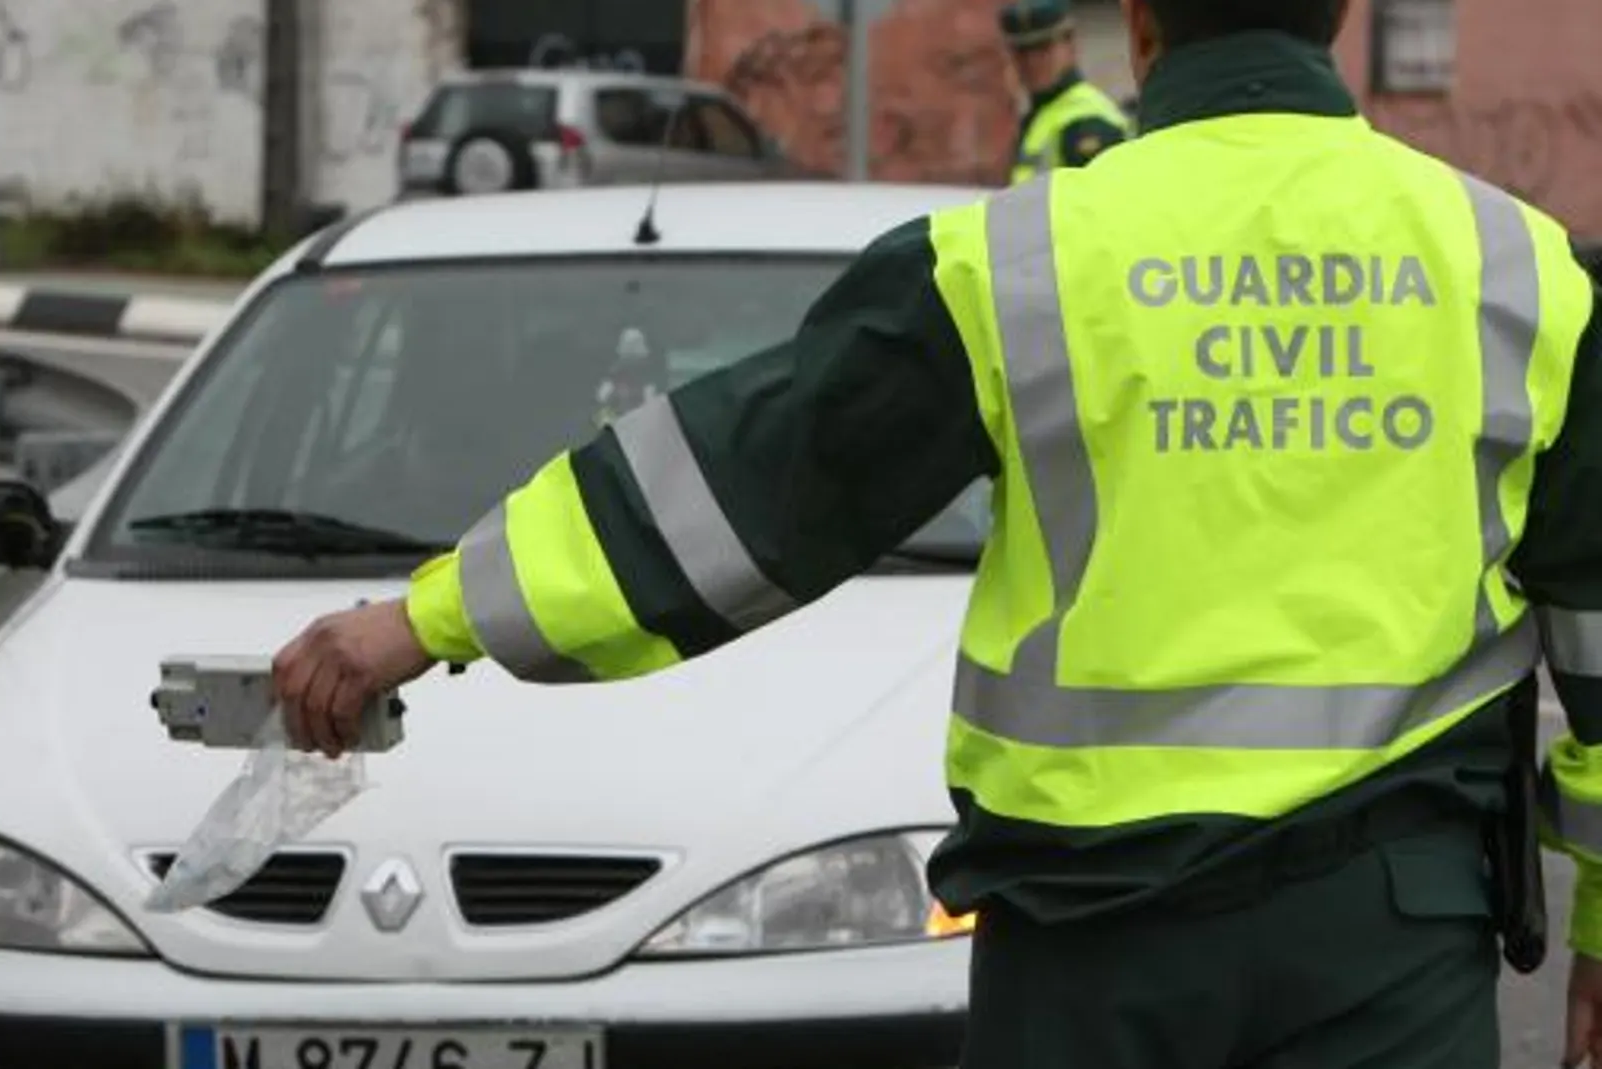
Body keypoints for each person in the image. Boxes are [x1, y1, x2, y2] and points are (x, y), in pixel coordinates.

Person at [271, 0, 1602, 1064]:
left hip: (1094, 944)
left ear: (1135, 29)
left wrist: (425, 620)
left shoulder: (1015, 263)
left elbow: (737, 488)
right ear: (1341, 19)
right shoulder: (1519, 267)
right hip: (1390, 936)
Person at [1000, 0, 1133, 183]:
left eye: (1043, 48)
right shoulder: (1039, 116)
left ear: (1070, 44)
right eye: (1022, 52)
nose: (1032, 62)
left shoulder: (1088, 120)